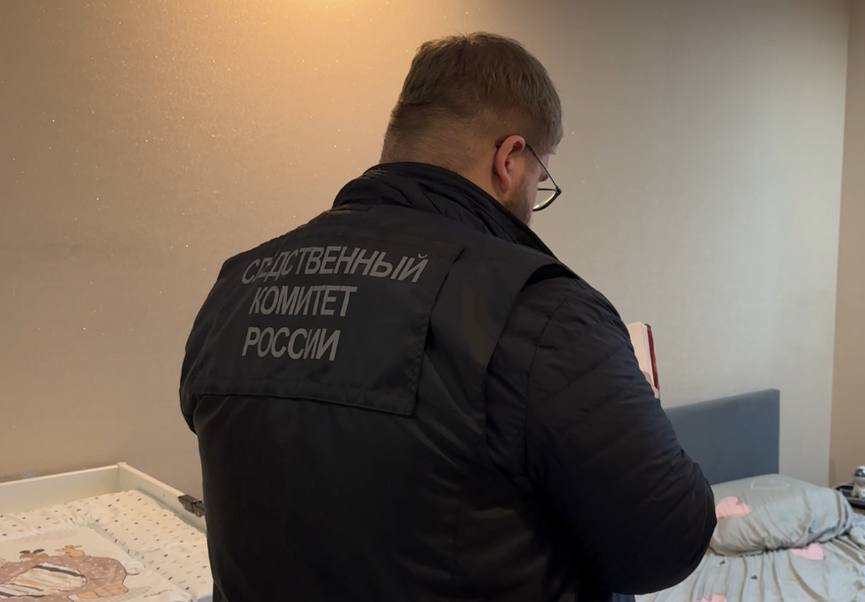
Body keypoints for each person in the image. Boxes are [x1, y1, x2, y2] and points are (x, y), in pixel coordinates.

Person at [179, 32, 716, 601]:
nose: (534, 200)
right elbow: (667, 541)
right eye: (540, 179)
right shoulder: (541, 313)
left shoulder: (236, 286)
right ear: (508, 159)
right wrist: (628, 402)